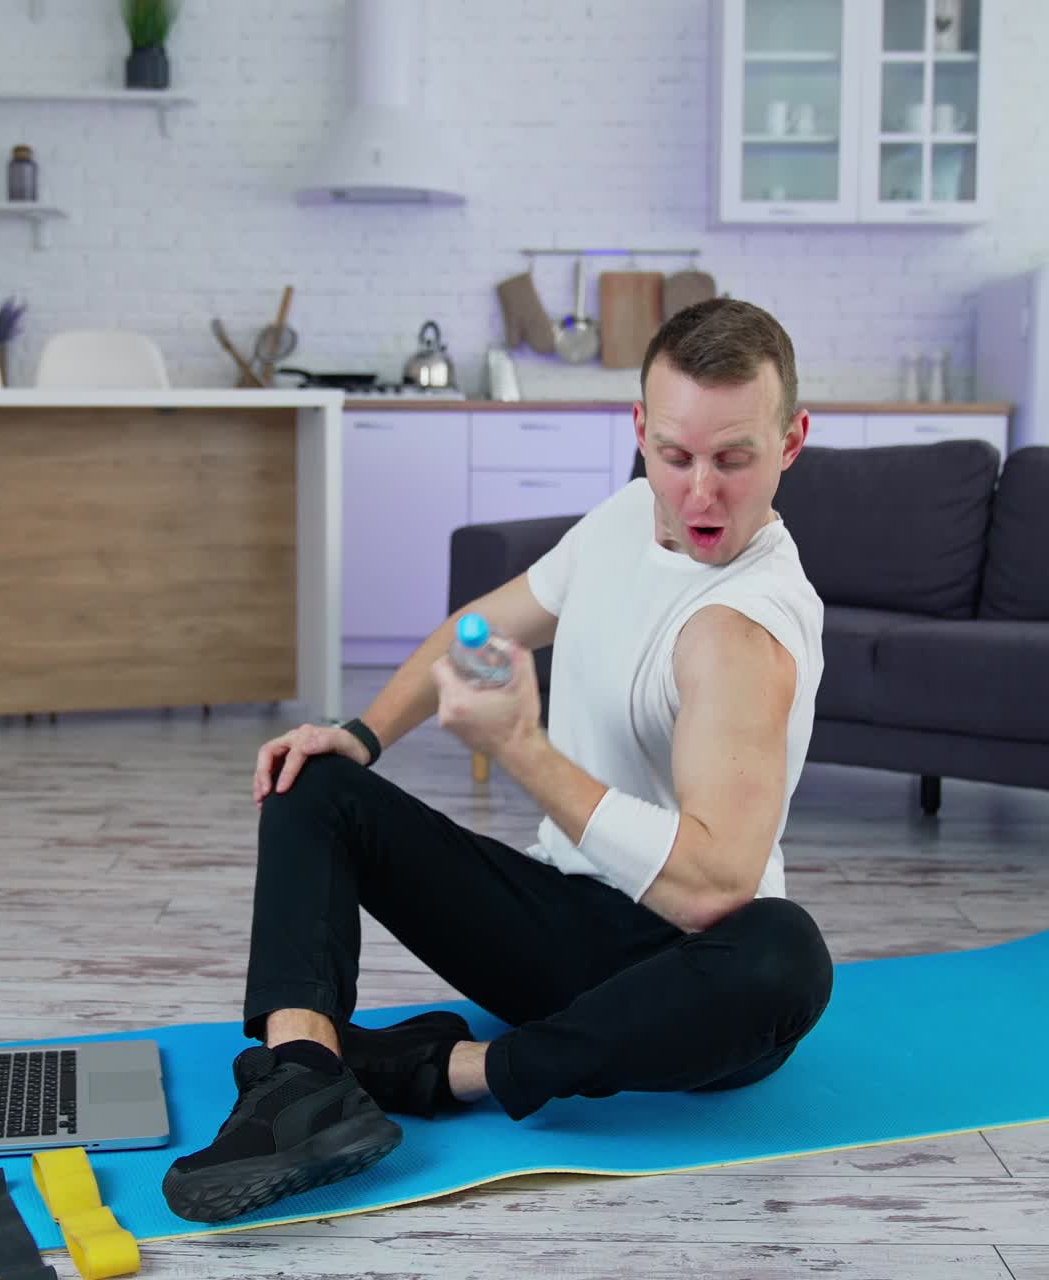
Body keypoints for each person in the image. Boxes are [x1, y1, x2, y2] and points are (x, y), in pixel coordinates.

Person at [162, 297, 835, 1224]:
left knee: (785, 953)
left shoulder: (744, 629)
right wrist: (360, 735)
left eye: (735, 458)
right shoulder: (625, 517)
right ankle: (304, 1079)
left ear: (792, 441)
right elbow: (479, 630)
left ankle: (449, 1071)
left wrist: (518, 747)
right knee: (313, 779)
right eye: (675, 455)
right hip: (558, 931)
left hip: (688, 986)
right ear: (640, 431)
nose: (700, 493)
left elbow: (712, 892)